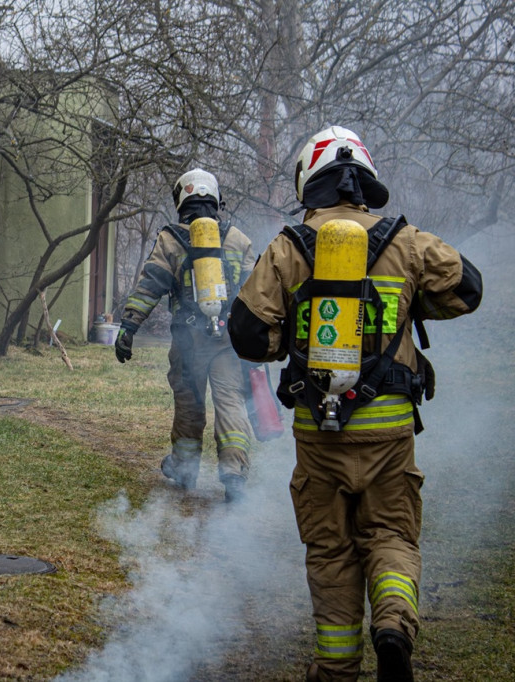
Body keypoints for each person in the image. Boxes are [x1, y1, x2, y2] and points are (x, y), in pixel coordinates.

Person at [228, 125, 482, 682]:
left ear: (309, 181)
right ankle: (393, 624)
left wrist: (293, 341)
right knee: (390, 535)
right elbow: (468, 289)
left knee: (330, 550)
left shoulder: (289, 247)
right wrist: (409, 305)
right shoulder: (405, 241)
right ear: (365, 180)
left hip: (319, 433)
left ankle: (337, 667)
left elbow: (247, 333)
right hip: (389, 431)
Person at [115, 168, 255, 502]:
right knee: (230, 402)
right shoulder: (238, 239)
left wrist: (129, 326)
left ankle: (185, 468)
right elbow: (258, 293)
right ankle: (234, 473)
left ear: (181, 200)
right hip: (228, 341)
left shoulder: (171, 239)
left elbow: (150, 284)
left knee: (189, 403)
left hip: (188, 340)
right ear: (216, 199)